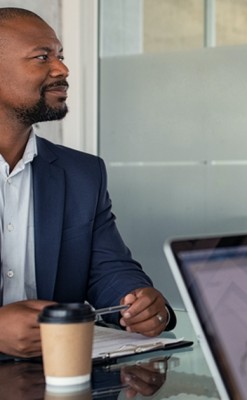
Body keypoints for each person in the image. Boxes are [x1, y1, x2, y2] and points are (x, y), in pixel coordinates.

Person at [0, 7, 174, 358]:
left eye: (61, 56)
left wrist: (138, 301)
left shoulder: (82, 174)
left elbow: (108, 269)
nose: (62, 69)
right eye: (42, 56)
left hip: (59, 381)